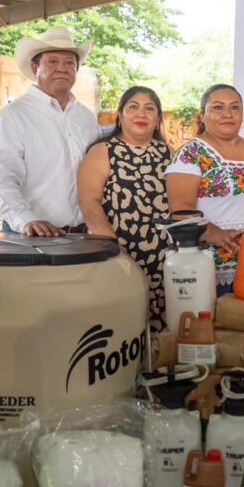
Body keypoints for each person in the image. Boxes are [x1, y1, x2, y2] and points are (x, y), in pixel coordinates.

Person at [0, 26, 99, 237]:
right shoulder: (14, 116)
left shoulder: (85, 117)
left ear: (76, 69)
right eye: (53, 61)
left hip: (80, 234)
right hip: (30, 234)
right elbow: (2, 178)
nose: (62, 68)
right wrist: (26, 220)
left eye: (69, 62)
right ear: (35, 67)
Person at [77, 86, 173, 331]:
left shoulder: (167, 152)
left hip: (165, 256)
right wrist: (114, 249)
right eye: (133, 107)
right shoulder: (103, 151)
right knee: (124, 325)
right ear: (120, 115)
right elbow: (89, 203)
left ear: (157, 118)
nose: (141, 114)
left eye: (149, 108)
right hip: (120, 252)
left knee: (162, 328)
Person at [166, 84, 244, 295]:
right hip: (207, 262)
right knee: (212, 315)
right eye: (218, 107)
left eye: (235, 107)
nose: (227, 114)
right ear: (202, 115)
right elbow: (180, 209)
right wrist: (215, 234)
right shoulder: (191, 153)